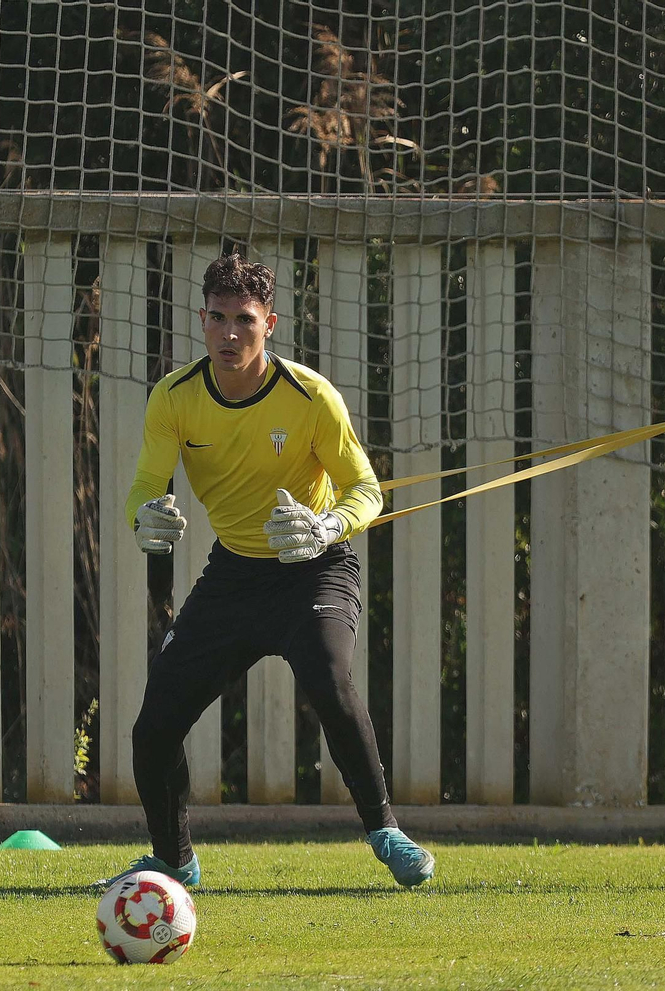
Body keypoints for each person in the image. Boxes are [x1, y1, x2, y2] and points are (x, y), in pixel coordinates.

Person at [102, 252, 435, 890]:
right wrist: (142, 517)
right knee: (153, 729)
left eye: (245, 321)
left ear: (271, 324)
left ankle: (386, 831)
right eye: (218, 319)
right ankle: (175, 861)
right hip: (233, 576)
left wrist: (327, 526)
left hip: (314, 567)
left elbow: (366, 489)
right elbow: (146, 482)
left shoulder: (311, 396)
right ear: (201, 320)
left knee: (327, 676)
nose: (230, 335)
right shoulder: (174, 397)